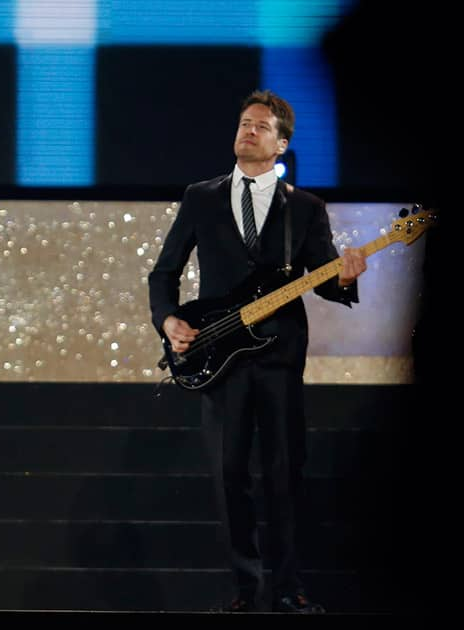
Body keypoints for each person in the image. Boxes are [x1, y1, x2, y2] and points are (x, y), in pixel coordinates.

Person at [147, 89, 366, 613]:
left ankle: (288, 588)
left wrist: (347, 277)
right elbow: (165, 271)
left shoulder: (306, 208)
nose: (248, 130)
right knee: (229, 478)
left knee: (284, 473)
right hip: (218, 359)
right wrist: (168, 320)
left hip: (279, 360)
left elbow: (324, 279)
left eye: (260, 126)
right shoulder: (201, 195)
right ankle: (247, 590)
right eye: (244, 122)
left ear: (281, 143)